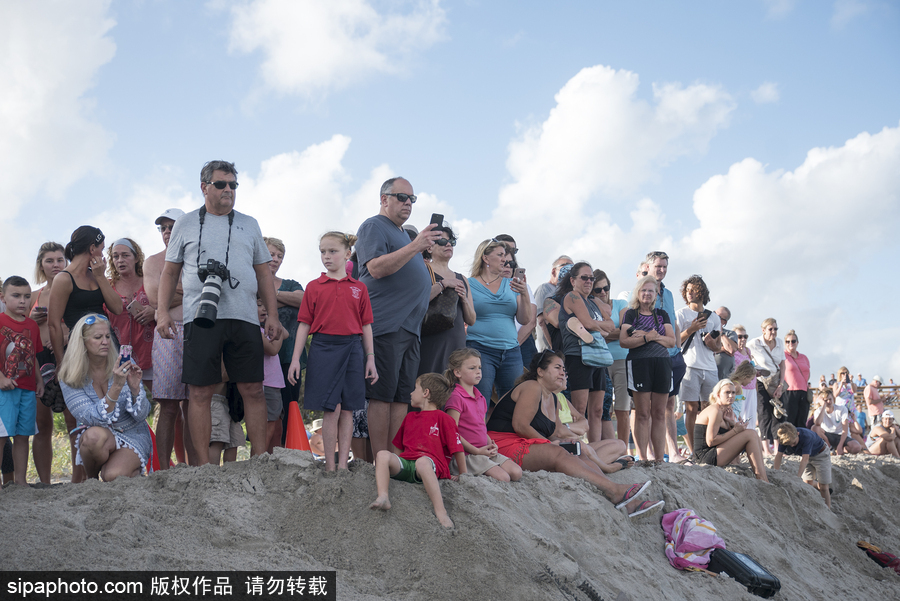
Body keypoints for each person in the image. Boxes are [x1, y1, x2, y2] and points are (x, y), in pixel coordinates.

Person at [156, 160, 279, 464]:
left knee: (252, 388)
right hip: (202, 318)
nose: (228, 190)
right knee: (199, 391)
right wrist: (162, 312)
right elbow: (170, 273)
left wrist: (273, 315)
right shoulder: (185, 223)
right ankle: (203, 468)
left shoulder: (249, 223)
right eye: (221, 184)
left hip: (245, 316)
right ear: (204, 187)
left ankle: (260, 460)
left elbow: (264, 274)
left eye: (233, 185)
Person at [486, 350, 665, 519]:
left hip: (526, 444)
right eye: (557, 368)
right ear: (540, 371)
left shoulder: (554, 399)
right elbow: (520, 425)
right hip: (502, 444)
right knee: (558, 452)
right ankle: (615, 490)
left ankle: (630, 504)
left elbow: (556, 432)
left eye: (564, 369)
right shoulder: (532, 387)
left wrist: (567, 440)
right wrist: (549, 443)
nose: (563, 372)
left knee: (578, 452)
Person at [356, 177, 440, 456]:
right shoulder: (373, 226)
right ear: (384, 199)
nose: (408, 203)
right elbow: (376, 268)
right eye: (401, 197)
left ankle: (394, 459)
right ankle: (381, 457)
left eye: (412, 199)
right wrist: (416, 246)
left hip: (410, 328)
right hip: (386, 324)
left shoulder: (404, 235)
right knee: (381, 394)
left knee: (402, 396)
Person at [289, 232, 377, 470]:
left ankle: (343, 466)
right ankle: (329, 465)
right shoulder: (313, 287)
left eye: (332, 251)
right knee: (331, 408)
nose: (326, 256)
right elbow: (304, 324)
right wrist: (296, 359)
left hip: (352, 348)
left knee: (348, 408)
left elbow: (366, 325)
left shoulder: (359, 288)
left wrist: (371, 358)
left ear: (347, 254)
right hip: (322, 347)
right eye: (322, 251)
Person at [49, 225, 124, 481]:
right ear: (92, 248)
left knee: (113, 405)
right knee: (76, 418)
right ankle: (77, 478)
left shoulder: (97, 276)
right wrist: (61, 363)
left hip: (106, 345)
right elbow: (53, 323)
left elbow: (117, 308)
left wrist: (102, 277)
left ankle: (110, 464)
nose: (103, 254)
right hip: (78, 353)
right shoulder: (64, 279)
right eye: (102, 249)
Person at [58, 313, 151, 480]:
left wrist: (136, 390)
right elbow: (90, 418)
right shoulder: (69, 377)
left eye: (108, 336)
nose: (105, 342)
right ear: (83, 342)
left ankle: (128, 471)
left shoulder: (123, 364)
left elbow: (142, 415)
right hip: (99, 437)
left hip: (133, 434)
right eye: (98, 337)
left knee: (112, 475)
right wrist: (116, 386)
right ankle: (92, 480)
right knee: (93, 436)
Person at [369, 373, 465, 528]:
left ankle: (441, 512)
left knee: (422, 463)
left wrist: (463, 474)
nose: (411, 393)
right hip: (408, 464)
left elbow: (457, 448)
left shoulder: (444, 418)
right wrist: (396, 465)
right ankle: (383, 496)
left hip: (430, 465)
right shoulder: (409, 417)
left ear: (426, 393)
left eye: (415, 389)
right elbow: (398, 446)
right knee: (382, 455)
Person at [143, 208, 194, 468]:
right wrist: (194, 290)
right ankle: (162, 468)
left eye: (172, 226)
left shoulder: (200, 256)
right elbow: (154, 298)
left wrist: (171, 292)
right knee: (168, 404)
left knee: (195, 403)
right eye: (163, 227)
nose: (167, 232)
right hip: (168, 331)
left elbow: (215, 291)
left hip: (199, 330)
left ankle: (196, 467)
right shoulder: (153, 262)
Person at [466, 238, 532, 407]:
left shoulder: (511, 284)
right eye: (500, 255)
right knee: (481, 401)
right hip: (480, 349)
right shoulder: (469, 283)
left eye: (506, 257)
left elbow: (524, 319)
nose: (505, 260)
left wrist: (524, 294)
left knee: (512, 403)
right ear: (485, 258)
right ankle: (480, 434)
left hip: (511, 351)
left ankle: (505, 435)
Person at [619, 275, 676, 461]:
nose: (647, 294)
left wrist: (650, 336)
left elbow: (671, 341)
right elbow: (624, 341)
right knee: (642, 413)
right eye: (644, 290)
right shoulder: (631, 314)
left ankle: (659, 459)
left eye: (651, 290)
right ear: (638, 292)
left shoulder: (662, 315)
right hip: (639, 364)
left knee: (659, 413)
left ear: (656, 293)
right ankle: (643, 458)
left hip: (662, 363)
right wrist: (646, 338)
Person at [443, 348, 522, 482]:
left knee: (516, 472)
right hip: (467, 455)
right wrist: (476, 451)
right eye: (472, 368)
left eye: (480, 367)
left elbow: (481, 428)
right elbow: (452, 433)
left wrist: (491, 444)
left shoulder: (481, 397)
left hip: (482, 451)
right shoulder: (456, 397)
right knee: (503, 478)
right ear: (457, 372)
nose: (478, 371)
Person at [556, 262, 613, 441]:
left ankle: (594, 451)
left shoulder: (594, 302)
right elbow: (590, 324)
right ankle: (577, 448)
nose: (589, 281)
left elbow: (611, 327)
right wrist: (596, 327)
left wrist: (593, 326)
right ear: (573, 280)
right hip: (578, 355)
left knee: (597, 410)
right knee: (579, 409)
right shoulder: (572, 296)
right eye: (584, 277)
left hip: (598, 357)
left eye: (591, 278)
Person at [675, 275, 730, 457]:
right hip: (689, 365)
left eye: (694, 289)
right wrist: (691, 329)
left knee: (711, 408)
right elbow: (675, 342)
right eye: (687, 290)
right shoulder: (681, 314)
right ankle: (693, 450)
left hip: (710, 367)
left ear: (702, 292)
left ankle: (707, 447)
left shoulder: (713, 317)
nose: (690, 293)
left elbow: (719, 347)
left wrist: (711, 344)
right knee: (690, 409)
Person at [27, 242, 67, 483]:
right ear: (41, 265)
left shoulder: (71, 291)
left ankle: (79, 481)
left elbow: (82, 322)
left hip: (66, 357)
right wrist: (30, 318)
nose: (55, 265)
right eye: (49, 261)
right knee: (42, 424)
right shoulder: (33, 295)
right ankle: (44, 481)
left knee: (74, 419)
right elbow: (18, 332)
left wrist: (64, 333)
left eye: (60, 260)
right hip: (39, 361)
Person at [0, 276, 44, 485]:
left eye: (27, 296)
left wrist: (40, 381)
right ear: (3, 297)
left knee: (23, 436)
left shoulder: (32, 326)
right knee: (1, 437)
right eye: (16, 296)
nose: (22, 301)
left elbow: (32, 356)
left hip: (27, 389)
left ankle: (21, 482)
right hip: (4, 390)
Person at [263, 236, 305, 445]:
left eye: (280, 256)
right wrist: (281, 299)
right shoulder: (250, 282)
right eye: (271, 254)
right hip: (261, 357)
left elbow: (303, 300)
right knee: (264, 410)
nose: (276, 259)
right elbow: (253, 304)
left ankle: (290, 450)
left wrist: (270, 295)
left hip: (290, 357)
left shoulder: (291, 284)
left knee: (290, 406)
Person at [644, 251, 686, 462]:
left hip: (672, 354)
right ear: (649, 266)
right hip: (652, 355)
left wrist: (678, 346)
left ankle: (674, 452)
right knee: (653, 407)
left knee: (670, 405)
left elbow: (674, 322)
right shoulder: (643, 290)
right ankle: (650, 452)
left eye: (664, 267)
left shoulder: (668, 293)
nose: (661, 270)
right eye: (658, 266)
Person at [418, 225, 476, 375]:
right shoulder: (423, 270)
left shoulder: (461, 278)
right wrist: (443, 284)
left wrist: (463, 299)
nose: (449, 244)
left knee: (455, 389)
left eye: (451, 242)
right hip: (431, 338)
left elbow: (471, 320)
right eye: (443, 242)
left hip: (456, 341)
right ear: (429, 248)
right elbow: (417, 301)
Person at [691, 379, 769, 482]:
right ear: (718, 395)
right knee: (750, 434)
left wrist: (732, 423)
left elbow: (728, 437)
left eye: (733, 392)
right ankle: (762, 478)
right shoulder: (715, 410)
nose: (731, 395)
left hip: (714, 453)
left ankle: (763, 475)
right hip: (704, 457)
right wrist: (735, 430)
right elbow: (711, 441)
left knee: (753, 433)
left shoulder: (725, 411)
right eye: (727, 392)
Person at [106, 238, 155, 393]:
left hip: (151, 353)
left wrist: (154, 312)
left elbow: (168, 305)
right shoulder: (107, 286)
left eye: (125, 255)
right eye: (115, 256)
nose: (120, 260)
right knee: (124, 405)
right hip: (119, 356)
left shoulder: (149, 282)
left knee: (167, 403)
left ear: (136, 258)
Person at [593, 269, 629, 443]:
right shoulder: (590, 307)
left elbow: (626, 331)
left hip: (622, 358)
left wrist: (603, 332)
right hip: (600, 360)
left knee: (623, 409)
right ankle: (604, 446)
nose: (603, 292)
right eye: (598, 289)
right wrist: (614, 332)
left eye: (605, 288)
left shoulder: (621, 303)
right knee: (602, 408)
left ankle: (623, 448)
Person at [495, 234, 539, 372]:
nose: (508, 253)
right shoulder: (480, 284)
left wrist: (513, 346)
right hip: (491, 345)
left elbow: (531, 320)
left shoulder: (522, 285)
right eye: (504, 249)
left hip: (521, 343)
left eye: (513, 251)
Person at [748, 318, 785, 456]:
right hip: (762, 380)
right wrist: (753, 370)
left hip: (776, 381)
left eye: (775, 329)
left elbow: (783, 365)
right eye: (770, 329)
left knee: (778, 413)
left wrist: (781, 384)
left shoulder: (780, 342)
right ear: (763, 330)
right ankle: (766, 449)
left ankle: (777, 447)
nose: (773, 332)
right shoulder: (754, 343)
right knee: (764, 413)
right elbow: (745, 355)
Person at [773, 422, 832, 509]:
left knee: (823, 487)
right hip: (807, 456)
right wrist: (775, 471)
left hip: (821, 454)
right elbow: (779, 455)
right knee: (808, 483)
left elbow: (805, 459)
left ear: (797, 434)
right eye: (789, 445)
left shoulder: (806, 436)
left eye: (794, 443)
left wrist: (798, 477)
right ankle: (819, 486)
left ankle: (828, 508)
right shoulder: (785, 437)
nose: (792, 446)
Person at [257, 298, 288, 454]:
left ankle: (267, 459)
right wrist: (278, 334)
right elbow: (273, 349)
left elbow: (286, 333)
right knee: (267, 426)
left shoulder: (266, 330)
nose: (263, 309)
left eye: (265, 306)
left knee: (276, 426)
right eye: (258, 305)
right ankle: (258, 459)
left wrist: (273, 319)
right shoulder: (255, 330)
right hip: (266, 384)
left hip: (275, 384)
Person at [535, 255, 573, 351]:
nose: (569, 270)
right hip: (552, 350)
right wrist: (553, 349)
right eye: (565, 266)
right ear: (553, 271)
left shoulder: (569, 293)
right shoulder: (545, 289)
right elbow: (541, 321)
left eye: (573, 268)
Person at [812, 387, 864, 455]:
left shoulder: (842, 409)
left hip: (841, 436)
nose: (828, 402)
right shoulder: (818, 411)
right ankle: (829, 448)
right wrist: (824, 406)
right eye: (826, 400)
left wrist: (840, 446)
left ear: (833, 399)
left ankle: (842, 449)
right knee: (814, 428)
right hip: (827, 436)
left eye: (830, 399)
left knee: (856, 447)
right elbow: (817, 423)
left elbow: (845, 430)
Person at [730, 325, 758, 429]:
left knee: (751, 417)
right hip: (740, 387)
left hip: (751, 387)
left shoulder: (748, 351)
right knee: (738, 414)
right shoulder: (733, 351)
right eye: (740, 336)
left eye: (745, 336)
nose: (743, 339)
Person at [782, 330, 810, 428]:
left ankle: (801, 442)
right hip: (789, 392)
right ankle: (787, 443)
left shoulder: (804, 357)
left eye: (793, 341)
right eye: (787, 341)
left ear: (797, 342)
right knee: (789, 422)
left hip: (803, 391)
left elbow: (808, 372)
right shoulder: (782, 355)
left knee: (802, 422)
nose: (791, 344)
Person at [831, 366, 866, 446]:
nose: (844, 374)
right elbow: (835, 394)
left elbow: (854, 390)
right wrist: (841, 385)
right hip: (840, 410)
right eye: (842, 373)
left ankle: (856, 444)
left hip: (850, 410)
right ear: (839, 374)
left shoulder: (851, 384)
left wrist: (850, 381)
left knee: (852, 428)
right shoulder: (836, 384)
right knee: (843, 427)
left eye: (846, 373)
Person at [714, 307, 738, 381]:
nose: (714, 317)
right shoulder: (705, 331)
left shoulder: (730, 334)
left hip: (724, 377)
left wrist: (720, 332)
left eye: (718, 317)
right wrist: (722, 349)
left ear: (724, 322)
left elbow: (731, 349)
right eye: (714, 314)